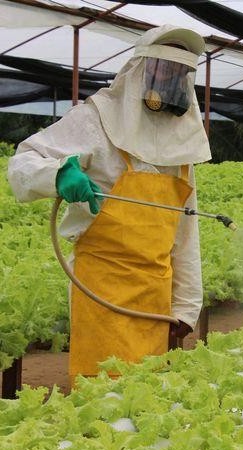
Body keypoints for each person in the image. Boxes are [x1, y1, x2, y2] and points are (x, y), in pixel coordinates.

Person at [7, 25, 211, 386]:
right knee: (101, 393)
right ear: (141, 68)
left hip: (155, 294)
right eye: (165, 68)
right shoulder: (97, 119)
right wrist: (57, 175)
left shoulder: (182, 144)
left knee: (145, 397)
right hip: (103, 288)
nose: (172, 79)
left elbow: (185, 234)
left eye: (181, 72)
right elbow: (23, 162)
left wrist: (185, 308)